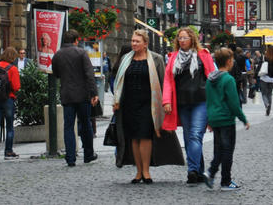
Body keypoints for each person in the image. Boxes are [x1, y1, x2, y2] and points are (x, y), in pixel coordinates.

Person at [112, 30, 183, 183]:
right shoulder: (126, 59)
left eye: (137, 41)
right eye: (132, 41)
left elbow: (165, 81)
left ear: (145, 43)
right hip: (129, 104)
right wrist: (116, 100)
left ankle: (146, 171)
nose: (134, 44)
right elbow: (119, 81)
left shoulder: (156, 59)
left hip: (149, 104)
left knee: (145, 136)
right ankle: (138, 172)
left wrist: (166, 102)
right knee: (133, 138)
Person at [163, 27, 215, 185]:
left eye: (185, 38)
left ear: (192, 39)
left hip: (201, 100)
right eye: (180, 38)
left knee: (195, 135)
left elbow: (212, 77)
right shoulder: (173, 58)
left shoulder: (202, 55)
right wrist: (166, 101)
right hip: (182, 102)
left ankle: (192, 170)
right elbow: (167, 80)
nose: (182, 41)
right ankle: (199, 172)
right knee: (188, 137)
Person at [51, 30, 99, 167]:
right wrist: (94, 93)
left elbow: (56, 73)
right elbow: (89, 74)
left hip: (67, 94)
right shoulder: (82, 53)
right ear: (76, 40)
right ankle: (88, 154)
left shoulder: (58, 55)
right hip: (83, 95)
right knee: (85, 124)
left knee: (68, 126)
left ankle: (70, 157)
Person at [204, 48, 249, 191]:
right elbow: (234, 103)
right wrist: (243, 118)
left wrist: (209, 120)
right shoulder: (228, 79)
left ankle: (211, 173)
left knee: (219, 149)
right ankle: (225, 181)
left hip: (214, 119)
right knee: (228, 150)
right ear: (229, 61)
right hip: (226, 120)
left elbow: (209, 101)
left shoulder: (210, 79)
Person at [256, 45, 273, 116]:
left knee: (263, 93)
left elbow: (259, 67)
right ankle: (269, 107)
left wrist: (255, 76)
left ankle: (267, 105)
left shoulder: (264, 58)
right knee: (269, 94)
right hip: (272, 79)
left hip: (264, 77)